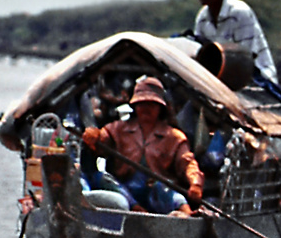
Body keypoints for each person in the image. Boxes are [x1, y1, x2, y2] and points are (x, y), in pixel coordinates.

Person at [81, 76, 203, 215]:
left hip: (156, 192)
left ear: (160, 107)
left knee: (165, 188)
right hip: (126, 191)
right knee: (103, 178)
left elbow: (188, 163)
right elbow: (102, 139)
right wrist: (94, 135)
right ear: (134, 106)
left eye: (152, 104)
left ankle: (186, 213)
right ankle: (136, 208)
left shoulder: (174, 136)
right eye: (141, 104)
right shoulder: (118, 128)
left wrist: (195, 184)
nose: (146, 108)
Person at [189, 0, 277, 82]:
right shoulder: (202, 17)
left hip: (256, 78)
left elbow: (246, 58)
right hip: (221, 80)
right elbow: (201, 53)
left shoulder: (239, 12)